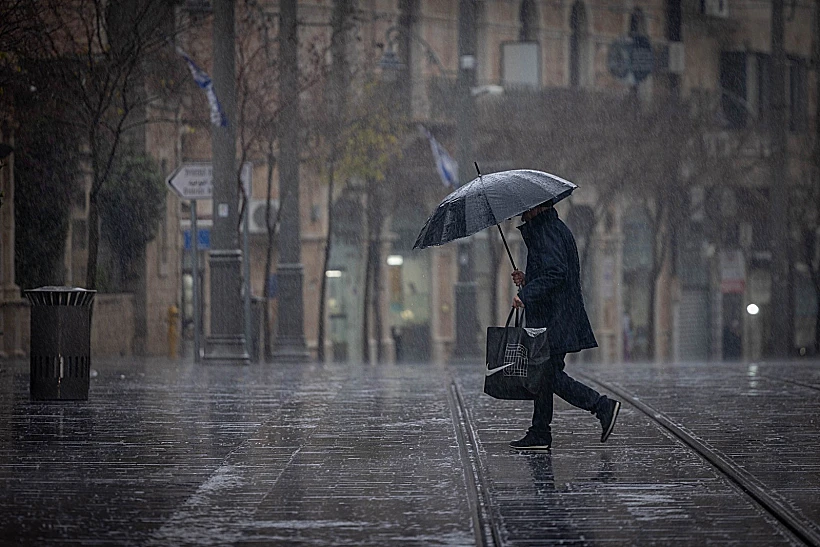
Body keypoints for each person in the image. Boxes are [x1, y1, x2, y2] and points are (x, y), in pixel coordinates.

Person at [509, 201, 621, 450]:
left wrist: (526, 295)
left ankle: (602, 406)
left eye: (525, 210)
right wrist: (527, 280)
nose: (523, 215)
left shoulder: (547, 231)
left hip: (555, 319)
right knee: (544, 375)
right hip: (557, 316)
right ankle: (540, 431)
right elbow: (552, 272)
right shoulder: (552, 228)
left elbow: (556, 273)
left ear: (537, 208)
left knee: (548, 375)